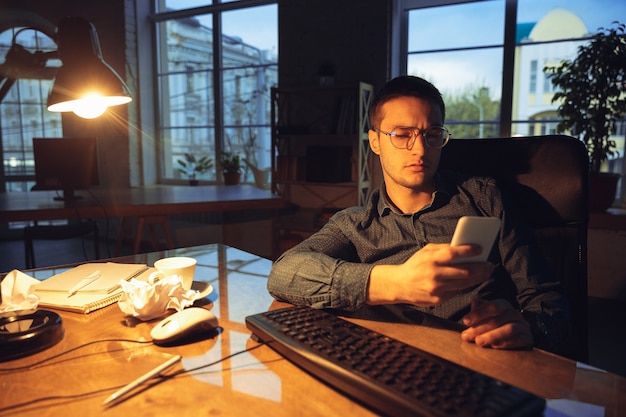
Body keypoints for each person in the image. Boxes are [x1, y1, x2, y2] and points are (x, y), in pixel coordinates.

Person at [267, 75, 571, 355]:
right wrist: (393, 282)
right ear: (375, 141)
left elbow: (547, 300)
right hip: (390, 361)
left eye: (432, 133)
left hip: (479, 360)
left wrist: (529, 327)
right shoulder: (353, 224)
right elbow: (284, 273)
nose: (420, 149)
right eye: (402, 134)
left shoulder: (485, 198)